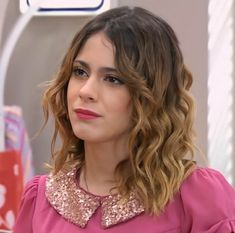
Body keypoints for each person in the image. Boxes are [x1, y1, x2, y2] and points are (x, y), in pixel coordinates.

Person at [13, 6, 235, 233]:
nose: (86, 91)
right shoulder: (39, 201)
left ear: (151, 96)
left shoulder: (199, 199)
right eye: (80, 72)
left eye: (112, 79)